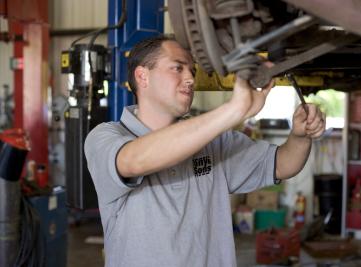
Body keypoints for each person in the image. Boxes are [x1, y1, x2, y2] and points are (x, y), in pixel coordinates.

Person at [84, 35, 326, 267]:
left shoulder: (215, 143)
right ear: (142, 77)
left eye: (193, 70)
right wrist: (234, 110)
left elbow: (282, 164)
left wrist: (300, 137)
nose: (190, 78)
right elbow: (134, 161)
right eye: (177, 68)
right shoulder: (106, 137)